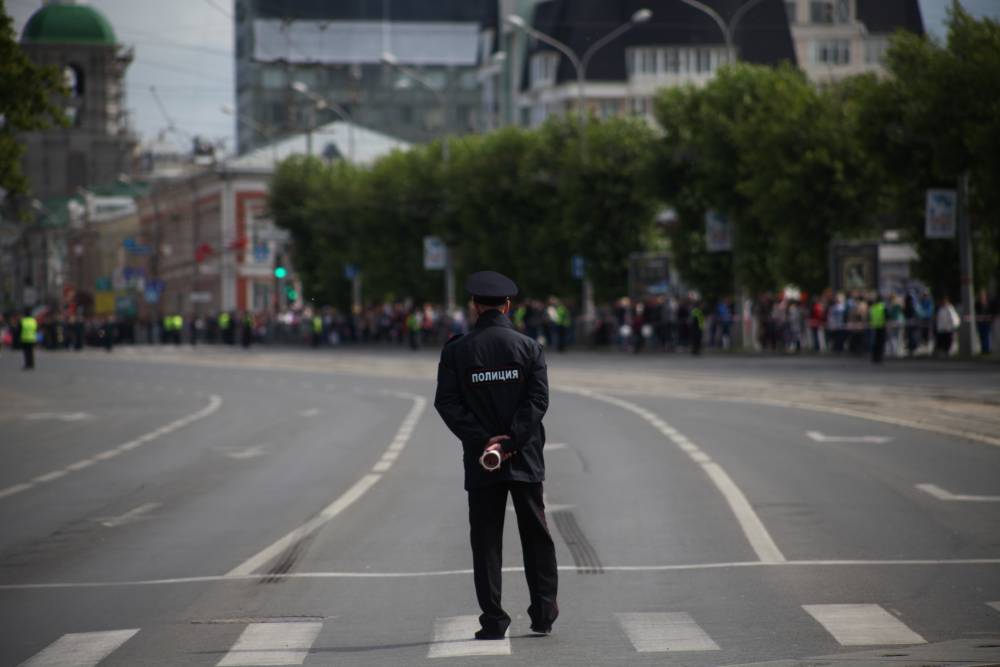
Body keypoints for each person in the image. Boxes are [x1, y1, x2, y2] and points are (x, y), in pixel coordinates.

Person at [434, 270, 558, 640]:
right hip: (524, 457)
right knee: (536, 537)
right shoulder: (529, 347)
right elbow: (537, 402)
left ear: (474, 306)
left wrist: (486, 443)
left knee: (486, 540)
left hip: (481, 458)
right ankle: (543, 614)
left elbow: (448, 403)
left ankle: (493, 620)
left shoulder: (457, 351)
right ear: (508, 305)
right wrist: (510, 444)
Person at [869, 294, 886, 363]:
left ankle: (874, 358)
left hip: (874, 327)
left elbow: (870, 317)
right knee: (880, 344)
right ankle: (879, 358)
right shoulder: (882, 307)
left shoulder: (873, 307)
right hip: (881, 327)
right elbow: (886, 317)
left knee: (874, 344)